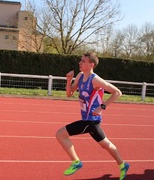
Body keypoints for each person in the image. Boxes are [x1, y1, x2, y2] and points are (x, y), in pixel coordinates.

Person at [55, 52, 130, 180]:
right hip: (90, 120)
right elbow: (69, 93)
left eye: (83, 61)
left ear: (91, 64)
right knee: (105, 144)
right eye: (81, 60)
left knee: (60, 134)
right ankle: (123, 165)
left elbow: (117, 92)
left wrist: (102, 107)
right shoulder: (79, 76)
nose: (80, 63)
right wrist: (68, 81)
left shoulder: (95, 79)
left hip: (90, 120)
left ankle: (76, 162)